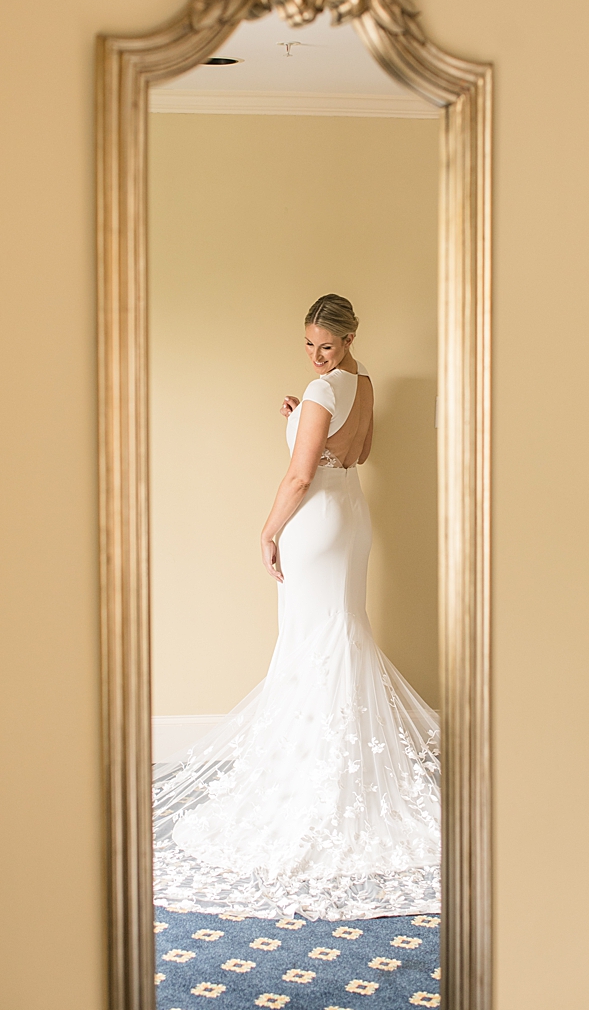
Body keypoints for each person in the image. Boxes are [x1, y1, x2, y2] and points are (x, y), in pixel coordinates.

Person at [151, 294, 441, 920]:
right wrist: (303, 414)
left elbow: (298, 478)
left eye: (326, 347)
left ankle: (312, 783)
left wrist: (267, 530)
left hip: (314, 522)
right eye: (308, 345)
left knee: (313, 641)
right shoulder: (361, 384)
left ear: (350, 337)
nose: (315, 356)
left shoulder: (322, 392)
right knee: (340, 635)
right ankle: (350, 778)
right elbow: (355, 454)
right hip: (354, 517)